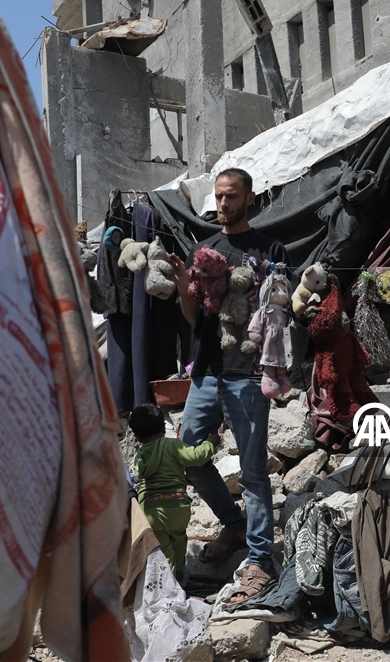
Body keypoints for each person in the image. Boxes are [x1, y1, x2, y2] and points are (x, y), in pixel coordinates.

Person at [169, 168, 289, 603]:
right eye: (219, 197)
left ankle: (260, 560)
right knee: (189, 453)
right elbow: (195, 319)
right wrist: (185, 291)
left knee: (255, 472)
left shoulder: (270, 248)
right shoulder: (206, 250)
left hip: (249, 373)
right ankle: (234, 524)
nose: (223, 204)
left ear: (249, 198)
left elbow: (282, 313)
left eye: (231, 196)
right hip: (206, 372)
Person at [130, 403, 219, 582]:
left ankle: (168, 587)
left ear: (137, 438)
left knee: (163, 553)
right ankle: (178, 577)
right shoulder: (172, 445)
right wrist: (212, 442)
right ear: (164, 428)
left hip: (151, 510)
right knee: (179, 544)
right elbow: (196, 456)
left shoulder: (140, 455)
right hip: (177, 507)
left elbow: (144, 474)